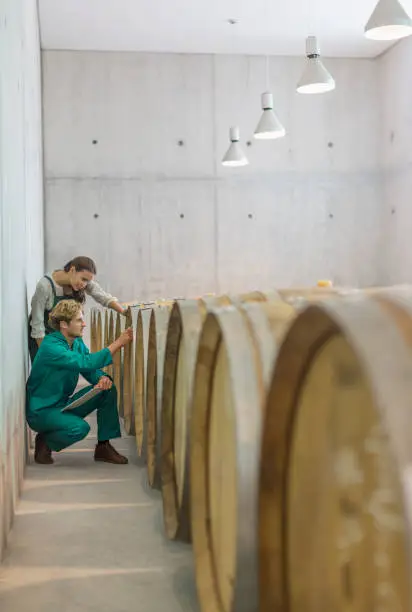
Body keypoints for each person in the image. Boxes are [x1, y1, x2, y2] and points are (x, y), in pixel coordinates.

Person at [26, 299, 133, 465]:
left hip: (63, 405)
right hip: (42, 411)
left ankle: (103, 447)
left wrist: (101, 379)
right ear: (64, 324)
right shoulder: (50, 346)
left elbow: (89, 369)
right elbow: (85, 362)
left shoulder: (76, 343)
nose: (84, 324)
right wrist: (119, 343)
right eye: (79, 320)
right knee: (80, 428)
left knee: (108, 387)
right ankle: (46, 441)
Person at [28, 256, 125, 362]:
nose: (84, 284)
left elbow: (103, 297)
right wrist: (45, 353)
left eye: (87, 282)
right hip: (42, 340)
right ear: (72, 270)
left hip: (63, 339)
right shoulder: (45, 286)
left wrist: (123, 312)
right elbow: (37, 325)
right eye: (83, 279)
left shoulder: (80, 282)